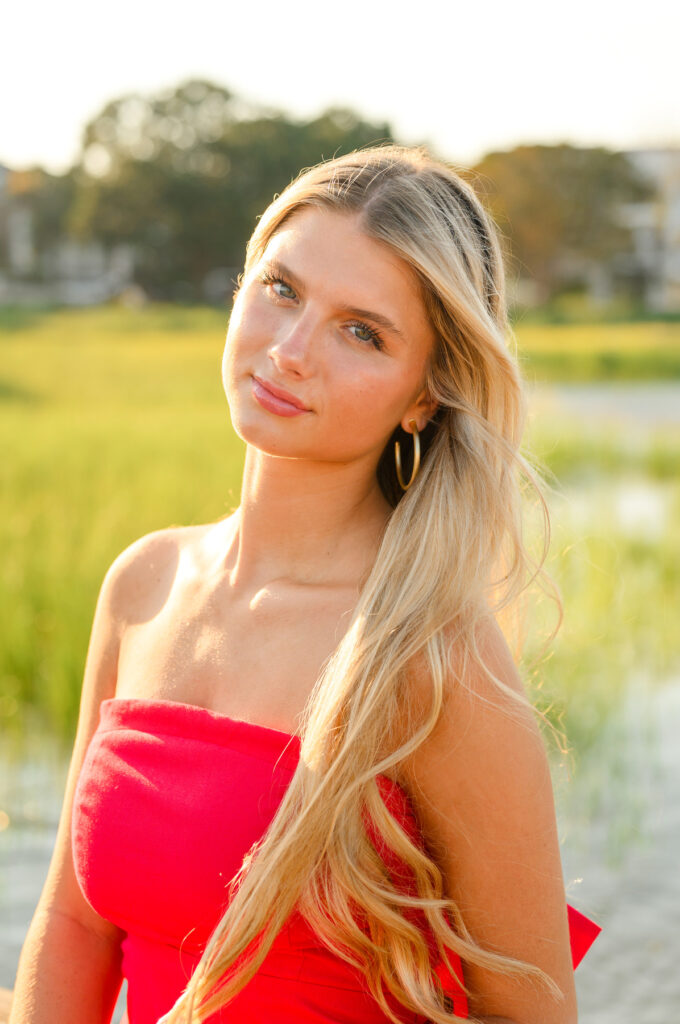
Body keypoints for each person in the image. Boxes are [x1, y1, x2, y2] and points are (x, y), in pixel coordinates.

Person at [9, 143, 600, 1024]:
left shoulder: (433, 654)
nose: (290, 351)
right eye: (280, 289)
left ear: (424, 395)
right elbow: (73, 929)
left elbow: (530, 1014)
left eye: (362, 331)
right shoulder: (144, 585)